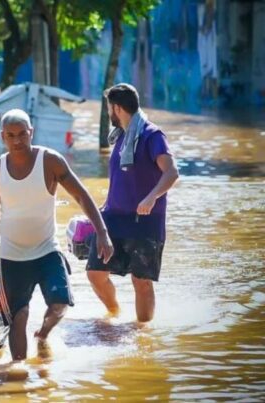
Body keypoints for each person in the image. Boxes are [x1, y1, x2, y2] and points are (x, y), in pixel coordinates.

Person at [0, 109, 114, 361]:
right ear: (3, 137)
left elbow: (81, 195)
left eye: (22, 134)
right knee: (19, 316)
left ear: (31, 133)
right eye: (11, 136)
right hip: (11, 256)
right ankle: (19, 373)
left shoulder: (50, 161)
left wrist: (102, 232)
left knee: (60, 304)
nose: (17, 141)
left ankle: (43, 334)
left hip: (47, 250)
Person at [86, 83, 179, 323]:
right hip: (114, 218)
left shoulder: (152, 135)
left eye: (109, 109)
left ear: (117, 108)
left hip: (145, 221)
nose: (108, 114)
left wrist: (151, 197)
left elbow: (171, 173)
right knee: (95, 273)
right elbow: (122, 180)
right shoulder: (120, 136)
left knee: (141, 281)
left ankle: (142, 335)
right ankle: (114, 312)